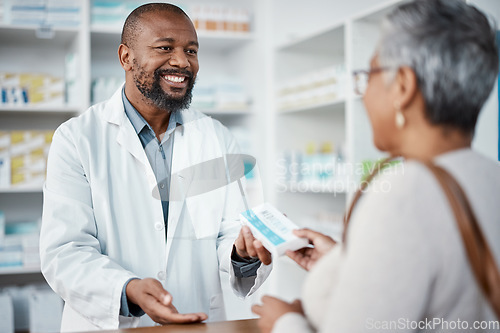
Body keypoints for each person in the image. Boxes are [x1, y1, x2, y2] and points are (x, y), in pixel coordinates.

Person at [252, 0, 500, 332]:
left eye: (368, 73)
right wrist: (345, 262)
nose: (365, 92)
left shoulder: (402, 193)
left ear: (402, 87)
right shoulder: (491, 176)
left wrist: (284, 322)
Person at [40, 3, 272, 331]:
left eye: (191, 50)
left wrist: (242, 252)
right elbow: (65, 250)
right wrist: (127, 288)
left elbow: (229, 230)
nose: (181, 61)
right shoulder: (77, 139)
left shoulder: (216, 137)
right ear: (126, 57)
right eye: (165, 47)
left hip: (197, 320)